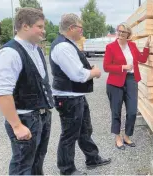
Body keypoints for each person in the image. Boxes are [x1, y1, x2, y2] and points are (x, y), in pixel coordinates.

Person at [0, 8, 54, 175]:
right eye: (39, 26)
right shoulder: (10, 53)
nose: (43, 30)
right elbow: (2, 92)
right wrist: (17, 125)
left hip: (41, 115)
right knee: (22, 166)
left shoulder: (36, 49)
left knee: (37, 161)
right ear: (25, 26)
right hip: (25, 118)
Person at [50, 13, 111, 175]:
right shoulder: (63, 47)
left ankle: (92, 158)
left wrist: (87, 69)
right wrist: (94, 72)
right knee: (69, 134)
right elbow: (77, 75)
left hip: (75, 96)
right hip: (67, 97)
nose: (82, 32)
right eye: (80, 28)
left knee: (85, 129)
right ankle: (67, 169)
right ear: (71, 28)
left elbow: (76, 68)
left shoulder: (69, 44)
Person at [103, 23, 150, 150]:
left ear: (128, 34)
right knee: (116, 111)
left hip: (131, 80)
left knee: (132, 111)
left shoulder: (132, 45)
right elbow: (106, 67)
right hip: (115, 82)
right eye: (119, 31)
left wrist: (146, 47)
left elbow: (142, 59)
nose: (120, 34)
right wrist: (122, 67)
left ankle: (127, 136)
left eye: (123, 32)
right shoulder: (111, 47)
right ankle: (117, 137)